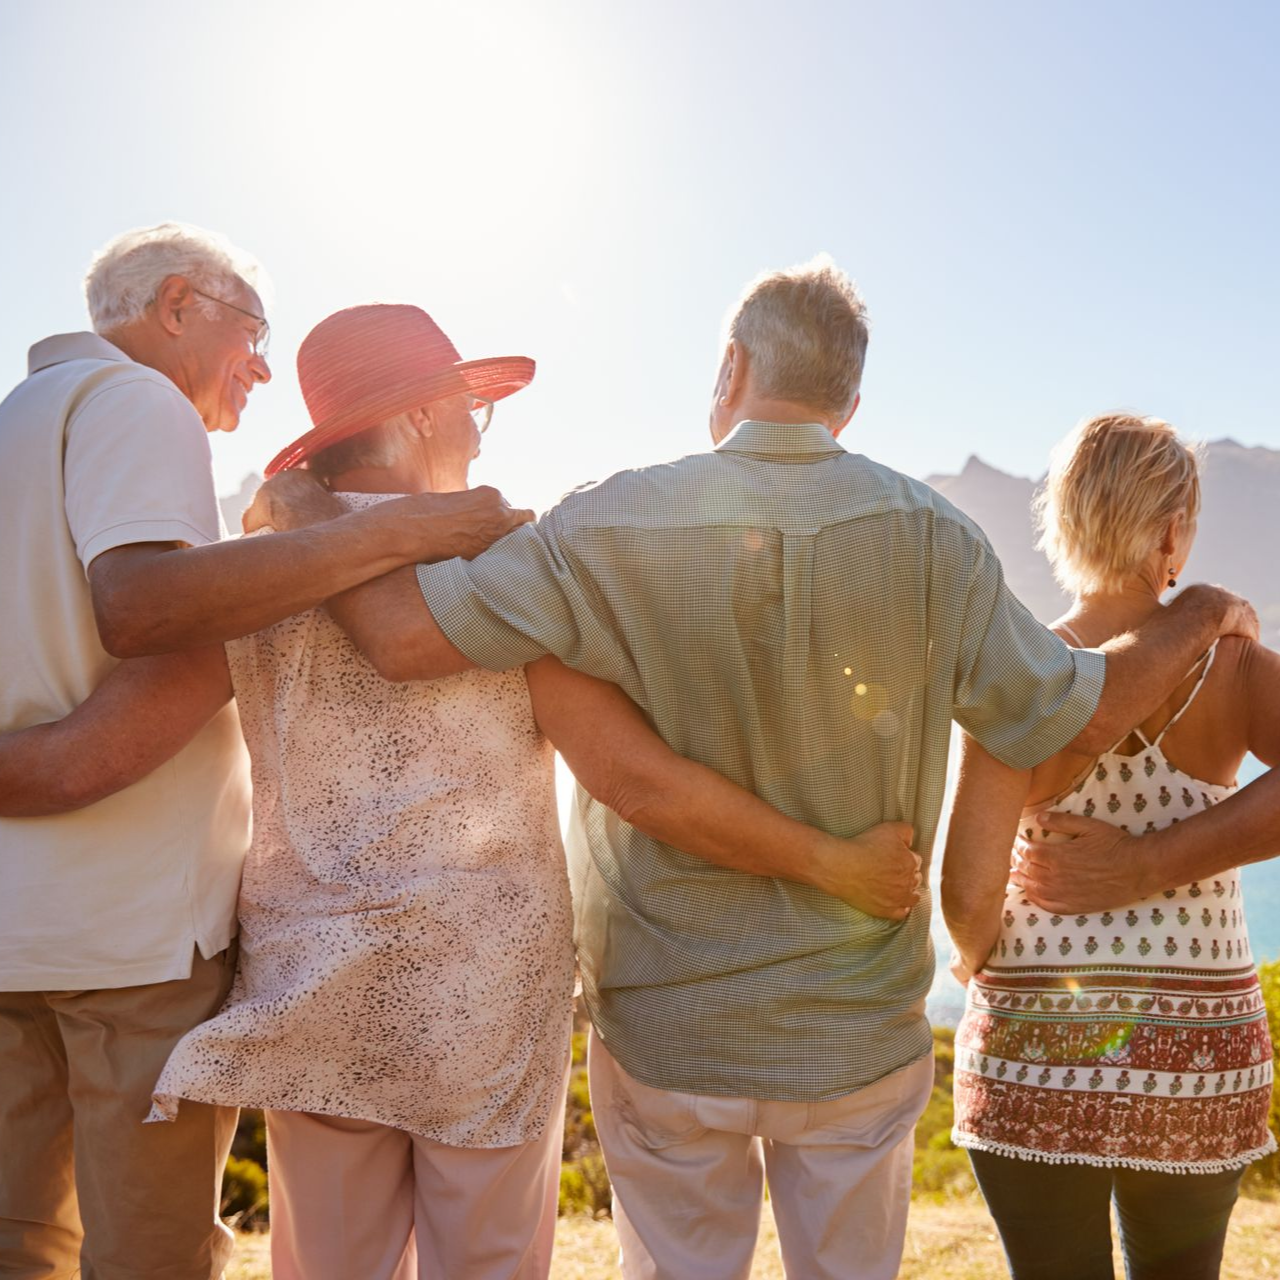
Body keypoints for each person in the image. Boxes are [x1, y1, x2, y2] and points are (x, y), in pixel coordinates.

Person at [251, 257, 1257, 1279]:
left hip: (665, 1026)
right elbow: (1067, 709)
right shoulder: (936, 537)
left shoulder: (602, 523)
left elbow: (406, 637)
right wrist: (1189, 611)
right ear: (849, 401)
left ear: (728, 367)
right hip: (853, 1030)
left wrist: (312, 510)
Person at [0, 302, 921, 1280]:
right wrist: (823, 857)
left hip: (315, 987)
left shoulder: (253, 571)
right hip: (482, 991)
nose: (477, 437)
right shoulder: (501, 565)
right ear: (423, 418)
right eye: (470, 413)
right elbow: (627, 775)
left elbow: (96, 752)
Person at [0, 225, 529, 1280]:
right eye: (251, 330)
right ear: (178, 305)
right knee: (147, 1256)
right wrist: (396, 534)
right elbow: (149, 614)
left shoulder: (15, 420)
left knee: (21, 1245)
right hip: (129, 932)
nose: (254, 361)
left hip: (17, 919)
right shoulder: (137, 402)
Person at [943, 413, 1279, 1280]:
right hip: (1197, 1062)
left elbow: (970, 897)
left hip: (1033, 1049)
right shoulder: (1234, 664)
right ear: (1173, 532)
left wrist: (973, 959)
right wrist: (1165, 861)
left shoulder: (1017, 670)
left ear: (1065, 521)